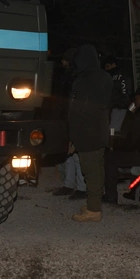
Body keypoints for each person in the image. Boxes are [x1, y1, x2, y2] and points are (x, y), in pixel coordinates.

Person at [67, 44, 113, 223]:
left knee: (90, 171)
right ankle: (94, 203)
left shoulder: (83, 80)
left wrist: (72, 135)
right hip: (101, 127)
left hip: (86, 131)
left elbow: (76, 109)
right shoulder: (106, 77)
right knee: (98, 168)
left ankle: (94, 210)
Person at [103, 85, 140, 204]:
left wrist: (118, 148)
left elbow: (131, 139)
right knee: (133, 154)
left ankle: (110, 196)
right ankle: (133, 191)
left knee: (110, 158)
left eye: (136, 99)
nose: (135, 102)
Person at [52, 47, 87, 199]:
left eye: (64, 60)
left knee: (77, 152)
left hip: (73, 116)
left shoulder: (77, 76)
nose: (62, 62)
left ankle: (81, 187)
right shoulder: (70, 75)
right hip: (65, 116)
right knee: (68, 153)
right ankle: (68, 184)